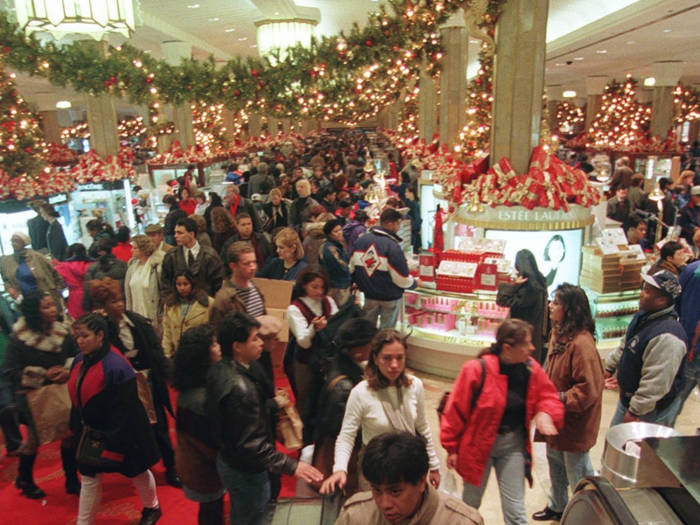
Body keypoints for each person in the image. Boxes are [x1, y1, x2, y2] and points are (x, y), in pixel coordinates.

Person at [440, 319, 564, 525]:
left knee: (516, 512)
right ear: (507, 348)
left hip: (512, 446)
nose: (532, 348)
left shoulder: (531, 370)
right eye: (526, 343)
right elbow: (455, 411)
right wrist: (452, 448)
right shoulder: (476, 370)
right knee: (470, 506)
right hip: (477, 448)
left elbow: (549, 397)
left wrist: (546, 413)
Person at [206, 312, 324, 525]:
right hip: (247, 471)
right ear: (237, 346)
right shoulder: (240, 387)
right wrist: (292, 466)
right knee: (253, 518)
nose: (262, 343)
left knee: (241, 515)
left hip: (229, 461)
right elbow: (251, 444)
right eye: (255, 339)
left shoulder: (221, 369)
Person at [320, 329, 441, 495]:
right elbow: (347, 435)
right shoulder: (361, 392)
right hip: (375, 470)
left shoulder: (415, 386)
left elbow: (422, 426)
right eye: (387, 358)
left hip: (408, 466)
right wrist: (340, 469)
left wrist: (434, 464)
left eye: (400, 358)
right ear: (375, 359)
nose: (394, 365)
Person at [68, 312, 162, 525]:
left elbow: (124, 411)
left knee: (136, 471)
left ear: (100, 335)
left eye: (85, 336)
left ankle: (152, 507)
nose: (79, 341)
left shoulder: (117, 366)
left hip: (123, 433)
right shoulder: (79, 360)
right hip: (91, 431)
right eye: (77, 336)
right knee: (89, 479)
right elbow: (77, 397)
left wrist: (113, 444)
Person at [89, 277, 180, 488]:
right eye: (113, 301)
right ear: (103, 306)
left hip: (149, 383)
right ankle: (141, 471)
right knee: (135, 432)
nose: (120, 304)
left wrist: (171, 376)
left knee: (161, 429)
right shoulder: (101, 332)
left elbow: (157, 354)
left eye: (120, 299)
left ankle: (171, 468)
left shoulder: (138, 322)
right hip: (124, 390)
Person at [533, 284, 604, 522]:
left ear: (570, 309)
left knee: (578, 472)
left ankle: (587, 515)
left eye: (556, 302)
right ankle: (558, 505)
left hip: (574, 422)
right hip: (555, 418)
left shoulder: (582, 344)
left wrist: (555, 399)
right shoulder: (559, 333)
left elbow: (588, 391)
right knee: (555, 463)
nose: (550, 305)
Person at [4, 291, 79, 498]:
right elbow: (10, 372)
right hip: (33, 397)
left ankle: (72, 480)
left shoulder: (62, 331)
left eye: (52, 305)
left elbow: (76, 356)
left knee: (69, 435)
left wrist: (67, 370)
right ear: (33, 312)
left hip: (62, 391)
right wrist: (42, 375)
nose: (53, 309)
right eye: (46, 307)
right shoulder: (19, 338)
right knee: (33, 441)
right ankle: (25, 480)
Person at [335, 431, 483, 525]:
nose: (385, 504)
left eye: (395, 492)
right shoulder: (355, 515)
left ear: (420, 482)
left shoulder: (460, 521)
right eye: (377, 490)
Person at [604, 270, 687, 427]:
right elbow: (627, 343)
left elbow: (656, 382)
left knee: (638, 450)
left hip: (650, 412)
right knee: (615, 444)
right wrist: (610, 366)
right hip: (628, 400)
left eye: (647, 291)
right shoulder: (644, 315)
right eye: (643, 288)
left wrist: (635, 412)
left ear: (661, 301)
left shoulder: (668, 337)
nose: (641, 294)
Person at [312, 318, 378, 494]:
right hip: (344, 463)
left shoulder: (344, 367)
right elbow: (343, 433)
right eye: (372, 344)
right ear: (357, 350)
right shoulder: (345, 387)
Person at [172, 325, 225, 525]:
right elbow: (211, 446)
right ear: (201, 355)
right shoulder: (198, 399)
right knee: (211, 514)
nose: (219, 347)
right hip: (203, 471)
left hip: (200, 465)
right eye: (213, 343)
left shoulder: (198, 386)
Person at [286, 266, 339, 429]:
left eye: (322, 287)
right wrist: (314, 328)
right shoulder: (294, 308)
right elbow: (303, 342)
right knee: (306, 401)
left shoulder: (328, 301)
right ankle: (305, 438)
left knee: (327, 400)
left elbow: (337, 325)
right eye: (314, 287)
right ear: (304, 286)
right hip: (305, 362)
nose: (319, 291)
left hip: (328, 361)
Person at [350, 208, 419, 330]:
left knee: (367, 331)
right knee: (386, 334)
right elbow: (401, 279)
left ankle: (368, 349)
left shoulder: (361, 241)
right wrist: (414, 283)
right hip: (389, 297)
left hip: (368, 295)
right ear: (389, 224)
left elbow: (351, 268)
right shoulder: (392, 247)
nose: (399, 227)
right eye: (398, 224)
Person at [496, 249, 549, 364]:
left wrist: (513, 285)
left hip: (523, 335)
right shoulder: (540, 281)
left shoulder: (528, 287)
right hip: (536, 333)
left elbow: (502, 300)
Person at [160, 217, 225, 301]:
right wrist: (169, 304)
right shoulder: (171, 256)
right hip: (179, 306)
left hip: (205, 305)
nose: (175, 236)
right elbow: (165, 284)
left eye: (180, 233)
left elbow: (219, 284)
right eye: (175, 232)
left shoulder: (210, 256)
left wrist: (213, 305)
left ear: (191, 234)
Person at [0, 231, 66, 311]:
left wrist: (58, 293)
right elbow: (6, 280)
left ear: (23, 242)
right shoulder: (8, 261)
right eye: (12, 241)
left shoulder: (37, 257)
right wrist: (10, 289)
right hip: (25, 301)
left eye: (16, 241)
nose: (13, 243)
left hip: (44, 298)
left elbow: (55, 275)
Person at [162, 270, 214, 359]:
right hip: (178, 355)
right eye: (179, 284)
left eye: (185, 284)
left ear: (192, 284)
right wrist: (167, 355)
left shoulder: (208, 303)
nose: (182, 288)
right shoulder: (170, 305)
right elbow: (167, 332)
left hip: (200, 355)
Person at [213, 242, 266, 324]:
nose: (253, 267)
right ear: (233, 266)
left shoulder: (256, 287)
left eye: (254, 262)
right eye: (246, 264)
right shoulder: (224, 299)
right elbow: (217, 331)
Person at [675, 257, 700, 423]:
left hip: (687, 346)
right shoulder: (693, 271)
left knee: (674, 402)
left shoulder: (691, 270)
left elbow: (676, 304)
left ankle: (657, 444)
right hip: (690, 348)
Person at [124, 235, 165, 329]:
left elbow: (162, 292)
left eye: (134, 248)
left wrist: (161, 315)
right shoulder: (132, 268)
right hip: (136, 315)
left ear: (144, 249)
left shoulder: (157, 268)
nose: (131, 250)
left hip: (153, 316)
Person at [82, 238, 128, 312]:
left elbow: (88, 290)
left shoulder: (92, 268)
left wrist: (87, 308)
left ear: (98, 251)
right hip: (123, 305)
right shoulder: (123, 264)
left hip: (102, 309)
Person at [55, 243, 93, 320]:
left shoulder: (63, 266)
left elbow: (56, 277)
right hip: (92, 295)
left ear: (72, 253)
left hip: (74, 298)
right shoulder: (93, 264)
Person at [320, 218, 352, 306]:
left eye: (340, 229)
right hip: (337, 286)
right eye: (335, 231)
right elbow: (342, 267)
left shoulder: (337, 245)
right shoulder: (330, 249)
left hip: (340, 284)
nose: (339, 233)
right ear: (329, 234)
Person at [404, 186, 422, 254]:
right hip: (416, 229)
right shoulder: (415, 203)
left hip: (413, 229)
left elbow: (415, 217)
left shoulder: (412, 204)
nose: (405, 194)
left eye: (406, 192)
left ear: (411, 193)